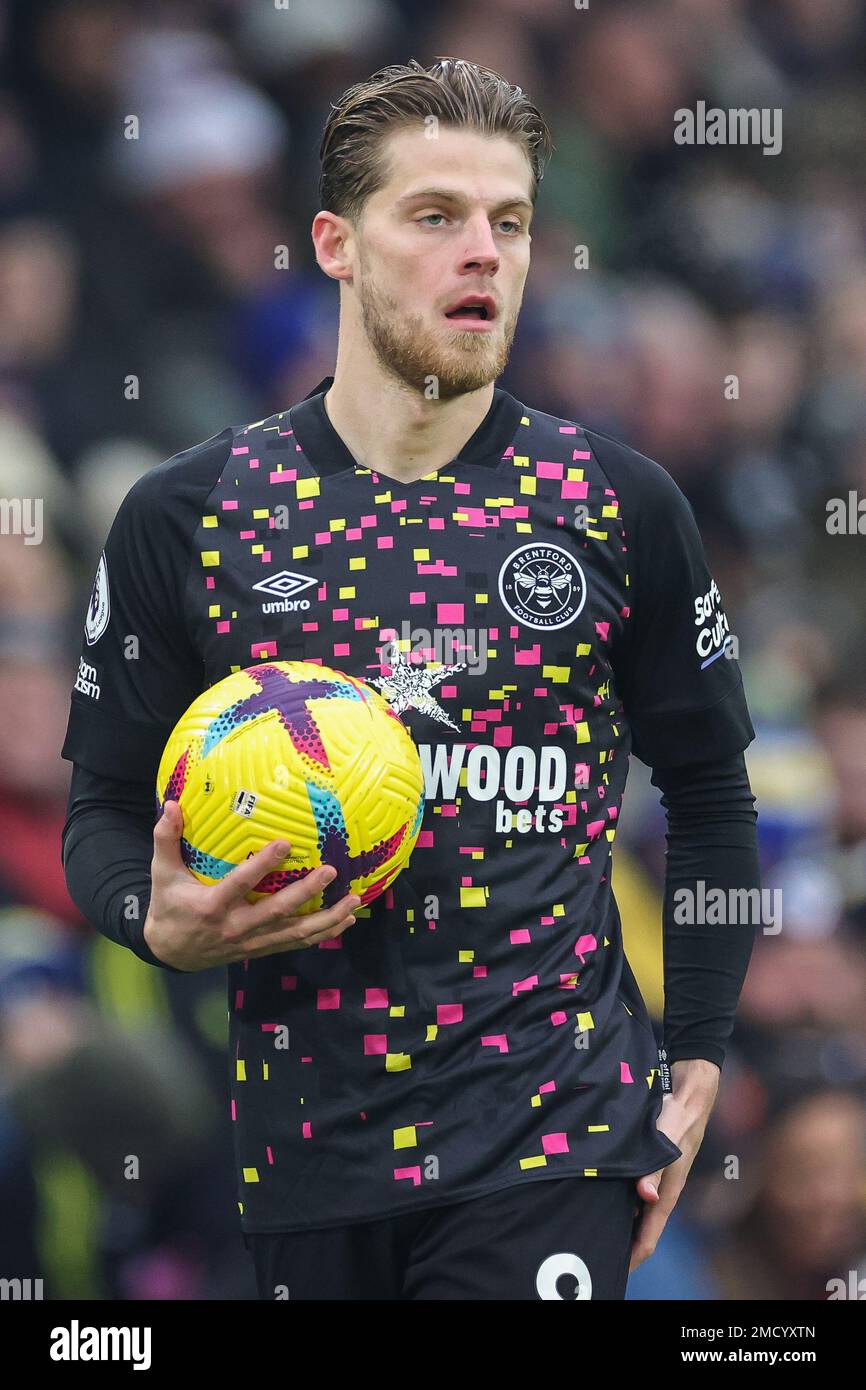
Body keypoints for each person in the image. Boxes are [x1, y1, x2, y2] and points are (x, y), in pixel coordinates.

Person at [61, 57, 759, 1301]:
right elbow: (102, 810)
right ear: (335, 242)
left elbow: (710, 794)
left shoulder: (614, 504)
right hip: (301, 1153)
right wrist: (150, 919)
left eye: (509, 221)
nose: (482, 252)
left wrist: (697, 1052)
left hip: (551, 1134)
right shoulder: (194, 512)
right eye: (434, 216)